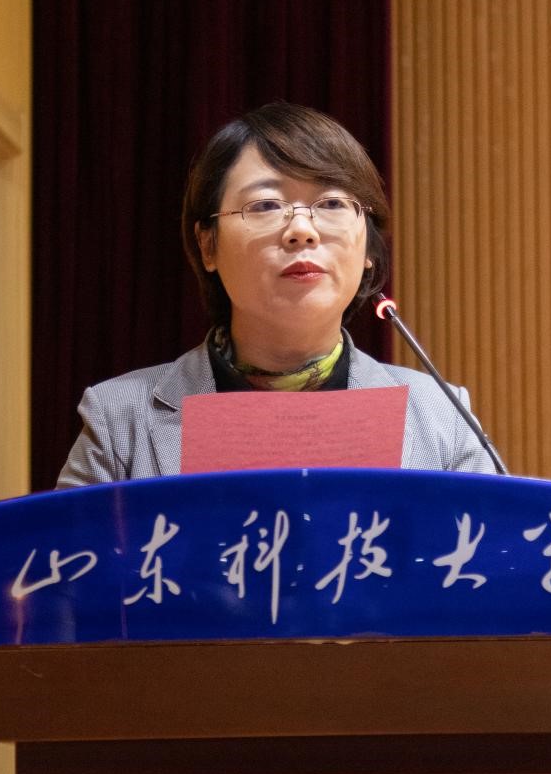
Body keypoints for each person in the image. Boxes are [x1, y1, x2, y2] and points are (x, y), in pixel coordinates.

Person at [58, 101, 495, 486]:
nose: (302, 230)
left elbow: (492, 553)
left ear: (368, 249)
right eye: (266, 205)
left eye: (332, 204)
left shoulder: (442, 416)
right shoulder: (120, 420)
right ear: (208, 245)